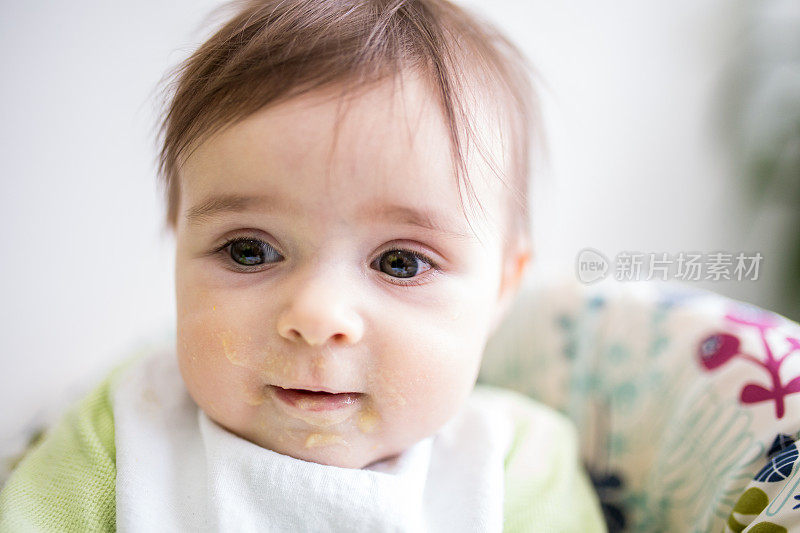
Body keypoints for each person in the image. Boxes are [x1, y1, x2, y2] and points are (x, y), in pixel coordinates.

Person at [0, 0, 606, 530]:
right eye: (250, 250)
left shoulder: (514, 465)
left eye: (399, 262)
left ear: (502, 287)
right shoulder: (123, 431)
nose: (317, 317)